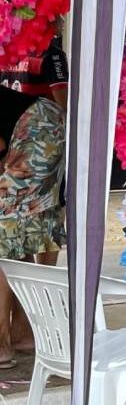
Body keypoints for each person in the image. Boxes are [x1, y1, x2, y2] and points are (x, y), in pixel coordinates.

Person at [0, 86, 66, 368]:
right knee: (19, 230)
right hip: (37, 124)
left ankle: (2, 342)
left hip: (37, 124)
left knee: (5, 229)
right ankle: (22, 333)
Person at [0, 37, 67, 268]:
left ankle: (37, 290)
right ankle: (34, 292)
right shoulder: (47, 53)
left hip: (35, 133)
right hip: (31, 133)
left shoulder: (47, 54)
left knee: (13, 228)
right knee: (19, 228)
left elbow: (63, 104)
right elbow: (65, 106)